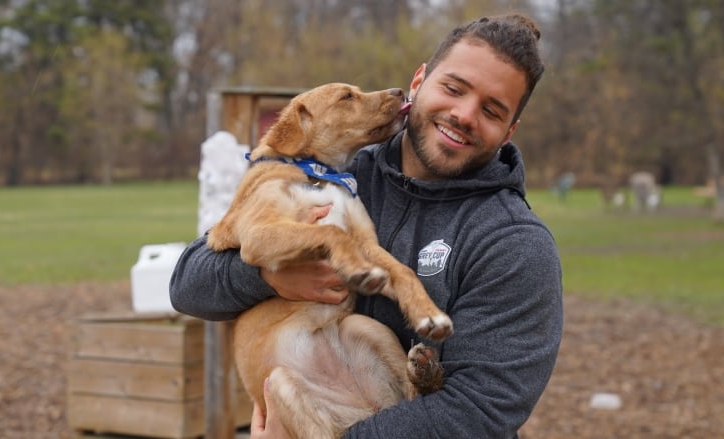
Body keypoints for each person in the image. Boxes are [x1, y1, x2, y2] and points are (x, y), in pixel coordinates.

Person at [170, 13, 562, 439]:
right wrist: (268, 275)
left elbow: (478, 411)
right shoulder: (338, 172)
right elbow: (188, 285)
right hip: (316, 392)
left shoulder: (515, 243)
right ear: (419, 81)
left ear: (509, 131)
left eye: (491, 110)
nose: (464, 115)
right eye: (453, 88)